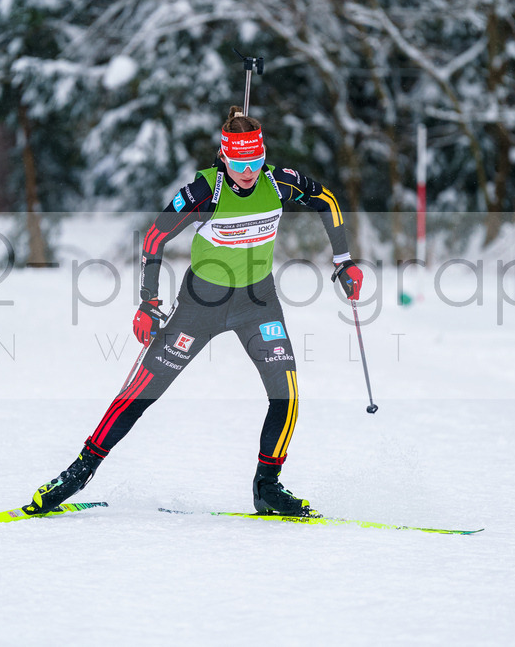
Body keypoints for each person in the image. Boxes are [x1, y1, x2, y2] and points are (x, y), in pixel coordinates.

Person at [24, 106, 363, 517]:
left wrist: (343, 260)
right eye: (240, 162)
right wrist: (148, 303)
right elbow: (155, 236)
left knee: (286, 394)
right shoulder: (207, 191)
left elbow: (326, 199)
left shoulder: (278, 183)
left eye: (255, 161)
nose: (249, 171)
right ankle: (77, 473)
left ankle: (267, 488)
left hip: (258, 304)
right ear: (224, 156)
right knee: (141, 392)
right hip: (202, 305)